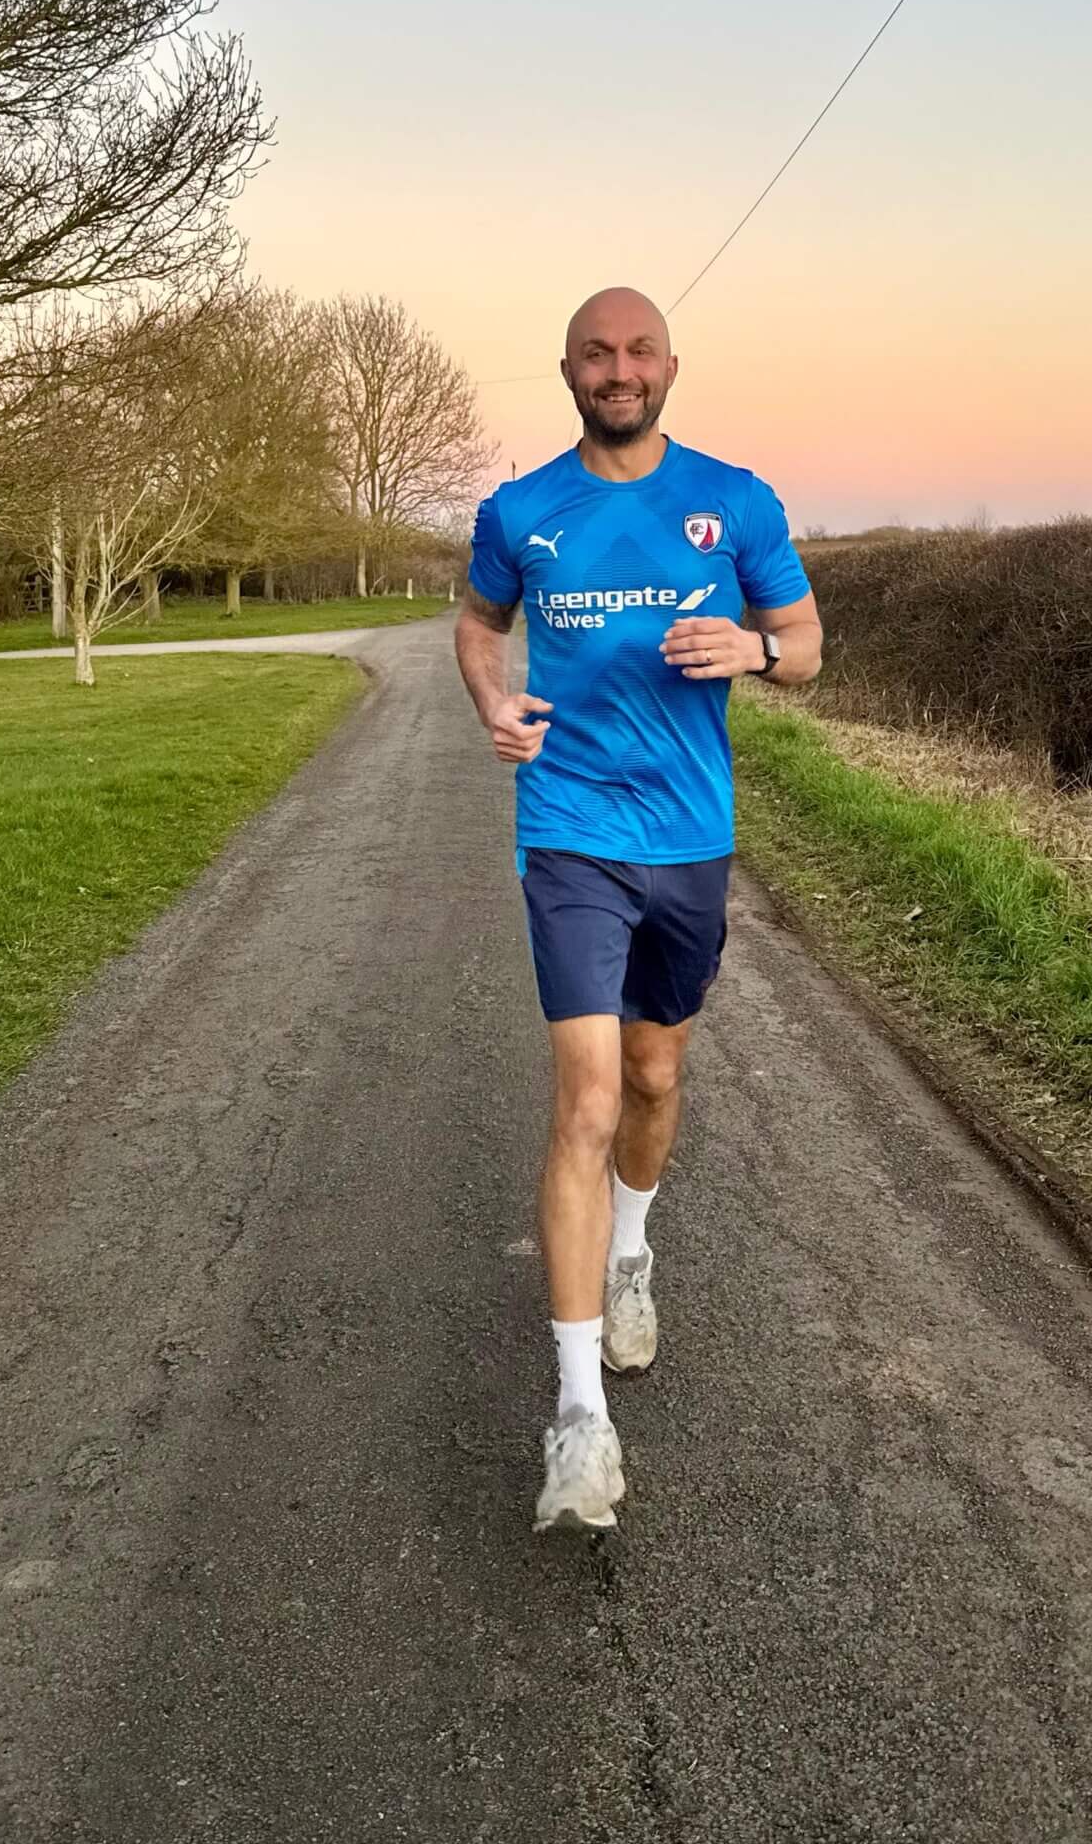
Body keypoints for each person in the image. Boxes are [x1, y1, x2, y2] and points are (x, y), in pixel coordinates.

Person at [455, 286, 822, 1531]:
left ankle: (631, 1256)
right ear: (565, 369)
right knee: (590, 1096)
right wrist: (491, 702)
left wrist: (754, 655)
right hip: (568, 831)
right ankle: (575, 1422)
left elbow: (809, 641)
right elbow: (474, 622)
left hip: (690, 839)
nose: (620, 370)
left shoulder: (739, 499)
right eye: (598, 354)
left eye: (639, 351)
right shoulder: (522, 511)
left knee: (658, 1078)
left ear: (670, 366)